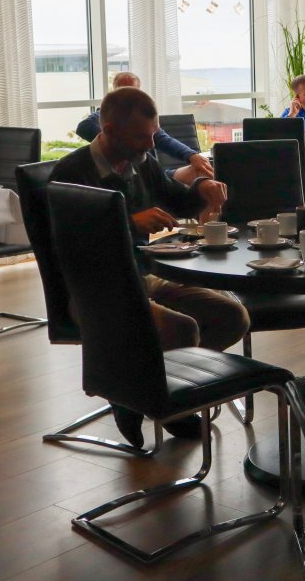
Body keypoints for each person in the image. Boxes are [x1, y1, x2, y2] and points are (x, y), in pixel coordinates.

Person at [51, 87, 249, 444]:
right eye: (141, 137)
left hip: (143, 276)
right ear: (109, 130)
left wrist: (202, 186)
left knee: (233, 317)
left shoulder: (143, 162)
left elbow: (179, 203)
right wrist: (128, 222)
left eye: (153, 134)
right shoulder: (71, 172)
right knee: (181, 330)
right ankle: (164, 403)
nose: (150, 144)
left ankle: (142, 390)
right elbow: (69, 246)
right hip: (94, 290)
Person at [76, 71, 213, 185]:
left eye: (132, 92)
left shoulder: (143, 122)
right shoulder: (106, 115)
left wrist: (191, 155)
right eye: (123, 91)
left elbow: (164, 139)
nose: (128, 97)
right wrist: (117, 139)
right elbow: (83, 127)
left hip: (155, 174)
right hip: (139, 176)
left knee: (204, 173)